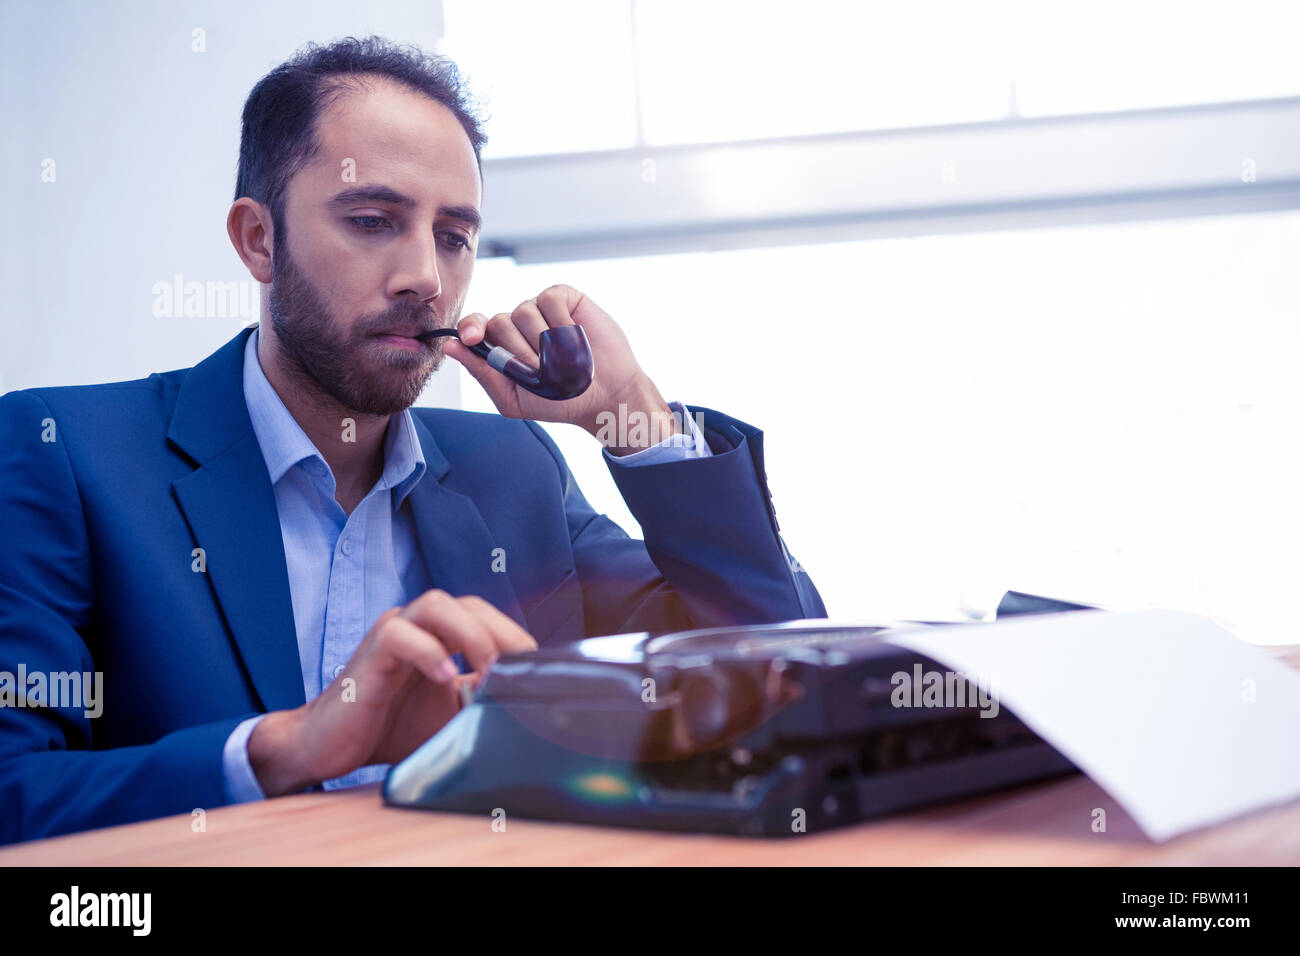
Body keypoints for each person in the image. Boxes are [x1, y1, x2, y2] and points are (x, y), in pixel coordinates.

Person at [0, 36, 826, 845]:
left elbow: (776, 663)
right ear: (258, 239)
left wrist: (631, 414)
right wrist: (282, 750)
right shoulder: (64, 453)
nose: (425, 277)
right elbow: (13, 789)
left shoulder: (512, 472)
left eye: (454, 236)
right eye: (372, 219)